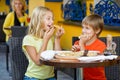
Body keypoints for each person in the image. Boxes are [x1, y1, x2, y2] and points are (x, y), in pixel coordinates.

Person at [22, 6, 64, 80]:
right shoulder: (29, 39)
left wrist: (57, 39)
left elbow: (59, 58)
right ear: (38, 20)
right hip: (33, 77)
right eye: (48, 19)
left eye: (52, 19)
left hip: (50, 77)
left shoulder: (50, 37)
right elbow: (38, 62)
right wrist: (45, 40)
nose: (52, 22)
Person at [72, 14, 107, 80]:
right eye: (83, 27)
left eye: (87, 28)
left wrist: (82, 44)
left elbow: (87, 62)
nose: (83, 31)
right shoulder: (77, 43)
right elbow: (74, 64)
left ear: (97, 30)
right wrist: (73, 53)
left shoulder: (101, 46)